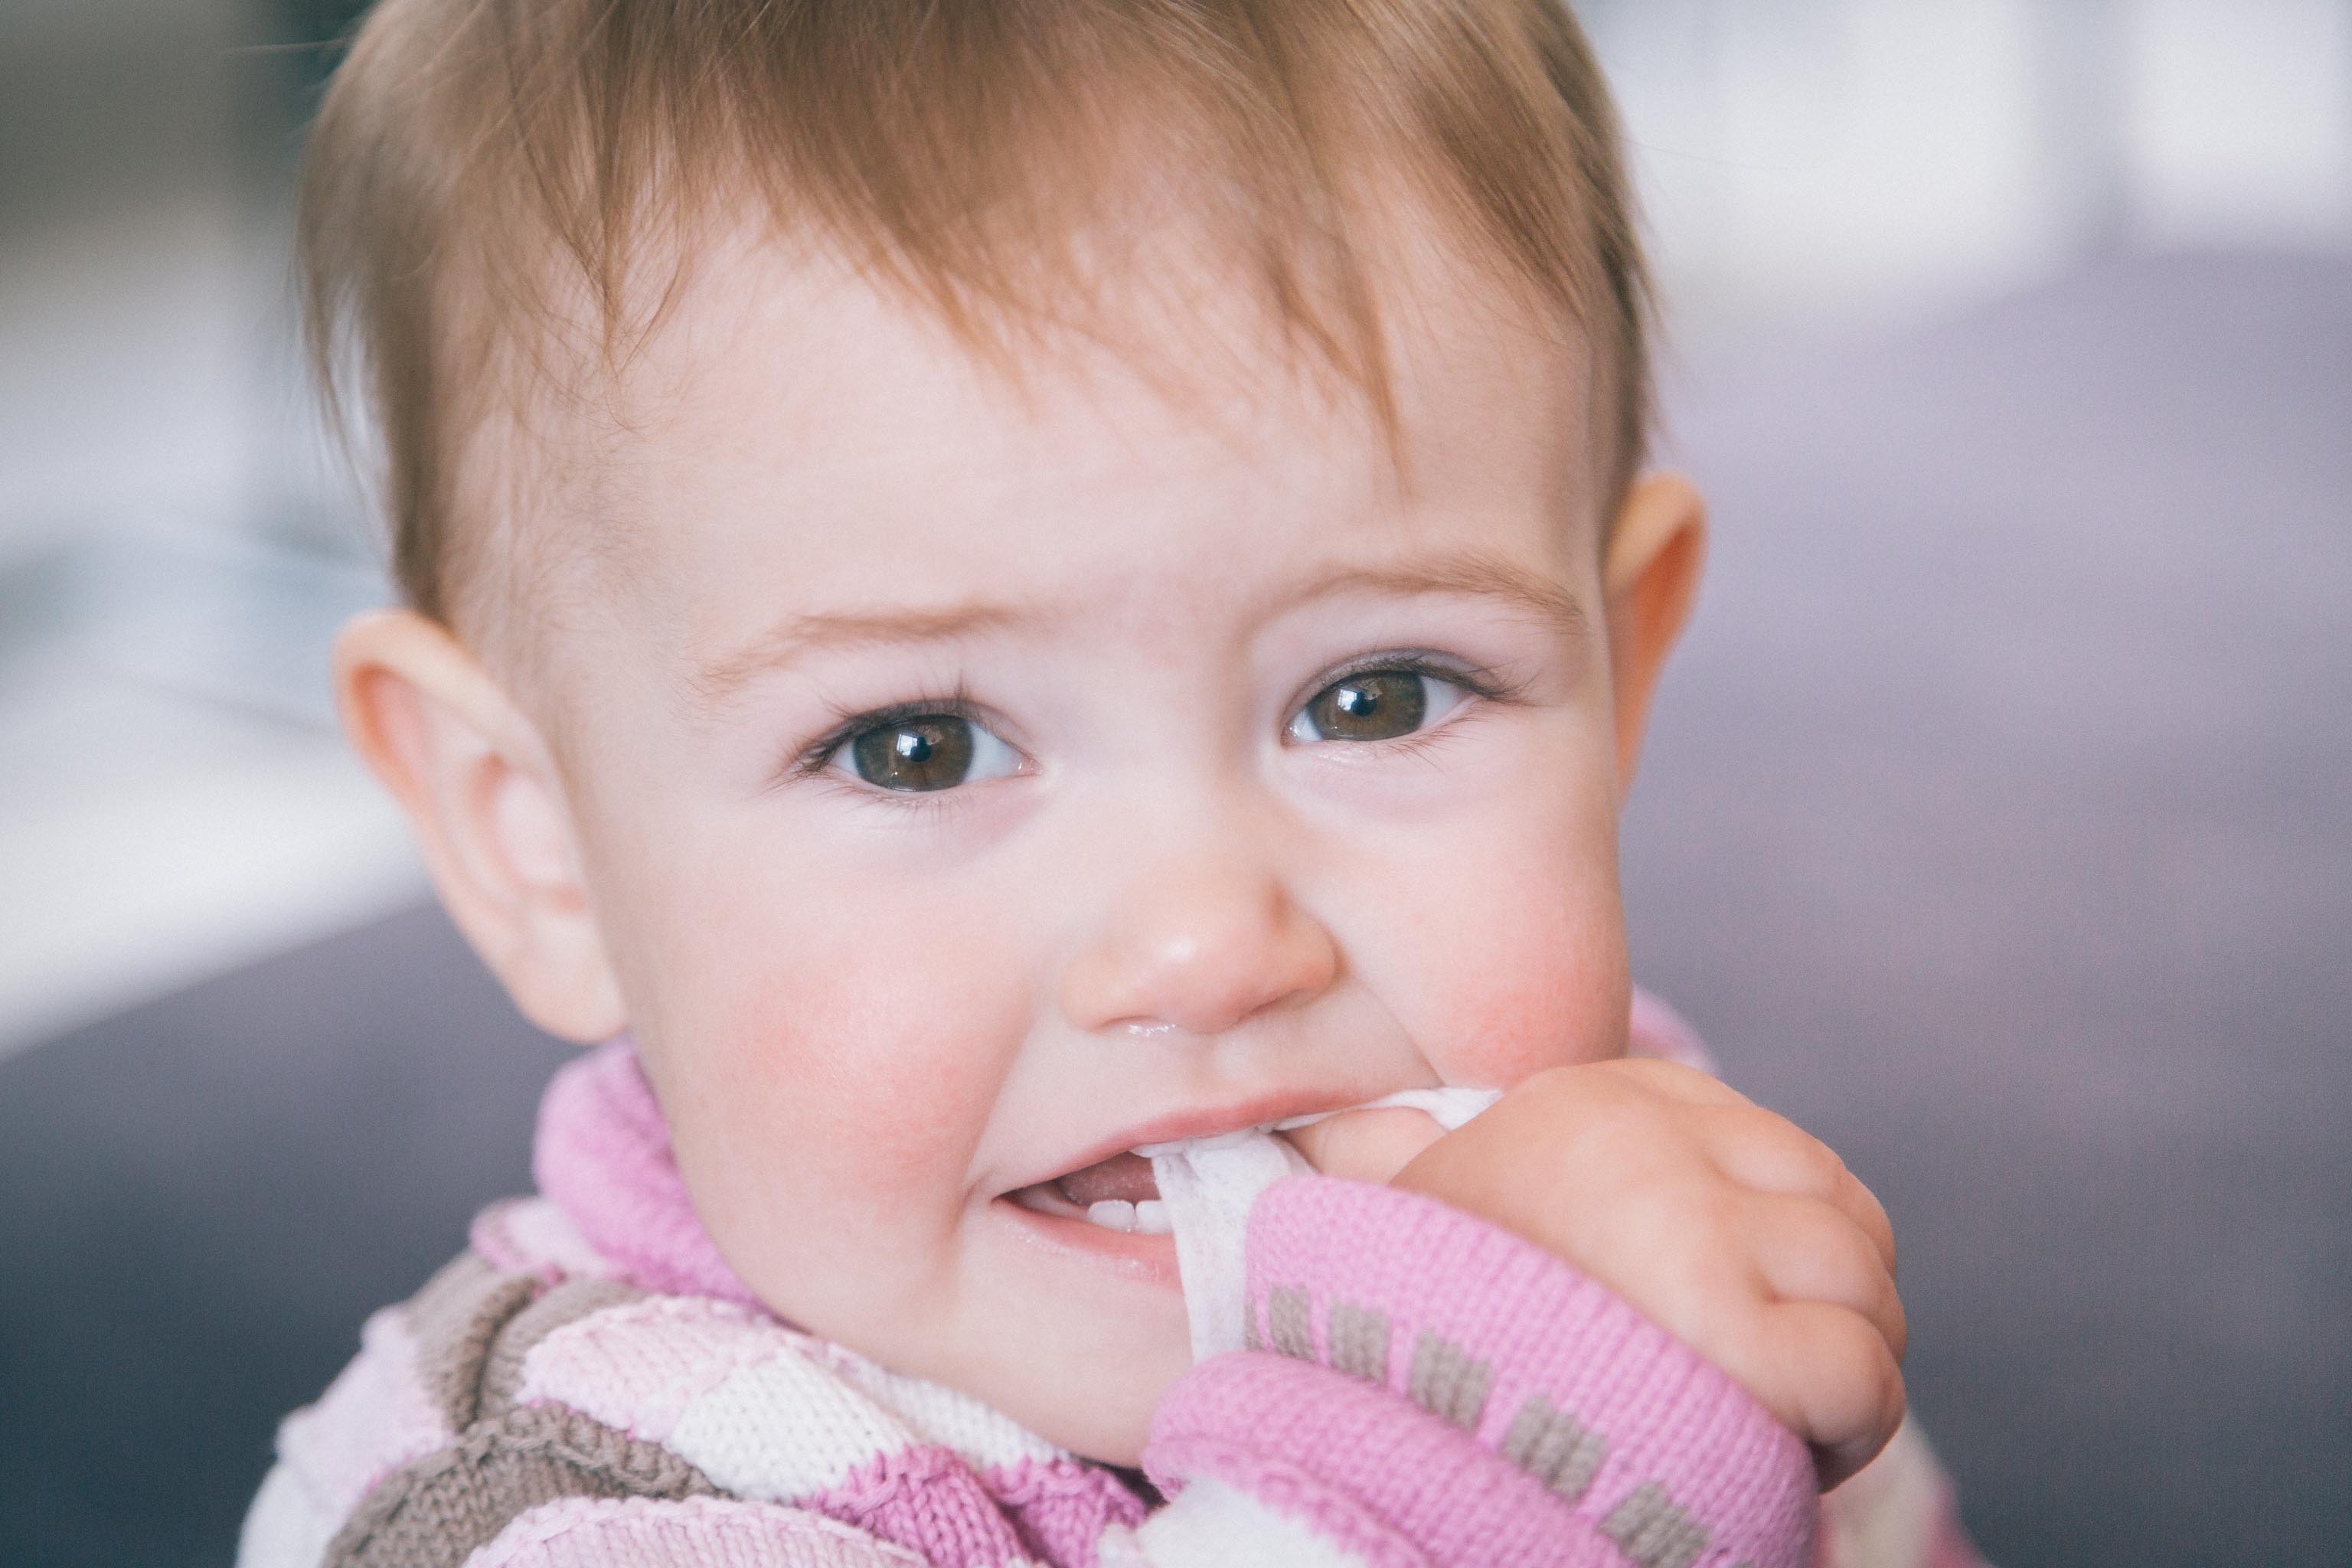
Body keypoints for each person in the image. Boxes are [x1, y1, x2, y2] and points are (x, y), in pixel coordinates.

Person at [243, 2, 1984, 1563]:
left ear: (1617, 677)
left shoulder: (1620, 1190)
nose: (1209, 945)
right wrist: (1509, 1448)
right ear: (533, 839)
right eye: (914, 745)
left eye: (1377, 697)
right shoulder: (553, 1495)